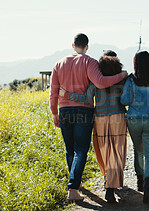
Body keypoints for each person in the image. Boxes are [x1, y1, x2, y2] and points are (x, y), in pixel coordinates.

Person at [49, 33, 127, 201]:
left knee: (70, 149)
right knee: (80, 150)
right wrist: (122, 76)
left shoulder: (58, 63)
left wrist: (54, 112)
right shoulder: (89, 62)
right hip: (83, 111)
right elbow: (100, 82)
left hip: (64, 110)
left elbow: (53, 91)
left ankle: (75, 183)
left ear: (72, 45)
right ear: (87, 46)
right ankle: (73, 187)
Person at [120, 51, 149, 204]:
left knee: (138, 150)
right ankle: (148, 187)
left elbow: (125, 100)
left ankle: (140, 181)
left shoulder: (131, 80)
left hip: (134, 120)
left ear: (135, 64)